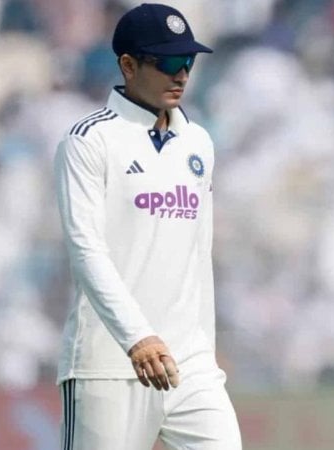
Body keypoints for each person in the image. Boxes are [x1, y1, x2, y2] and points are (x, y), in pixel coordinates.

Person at [53, 4, 241, 449]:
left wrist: (204, 348)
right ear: (128, 65)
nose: (182, 74)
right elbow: (86, 250)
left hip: (189, 364)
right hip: (109, 363)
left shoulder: (198, 141)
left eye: (188, 61)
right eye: (169, 62)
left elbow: (198, 255)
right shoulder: (89, 140)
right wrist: (138, 338)